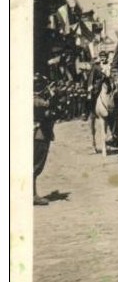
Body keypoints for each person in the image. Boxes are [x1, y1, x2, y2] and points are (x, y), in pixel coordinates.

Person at [33, 73, 55, 206]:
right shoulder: (37, 100)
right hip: (39, 134)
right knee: (35, 166)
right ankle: (33, 195)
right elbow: (48, 106)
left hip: (38, 134)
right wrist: (53, 95)